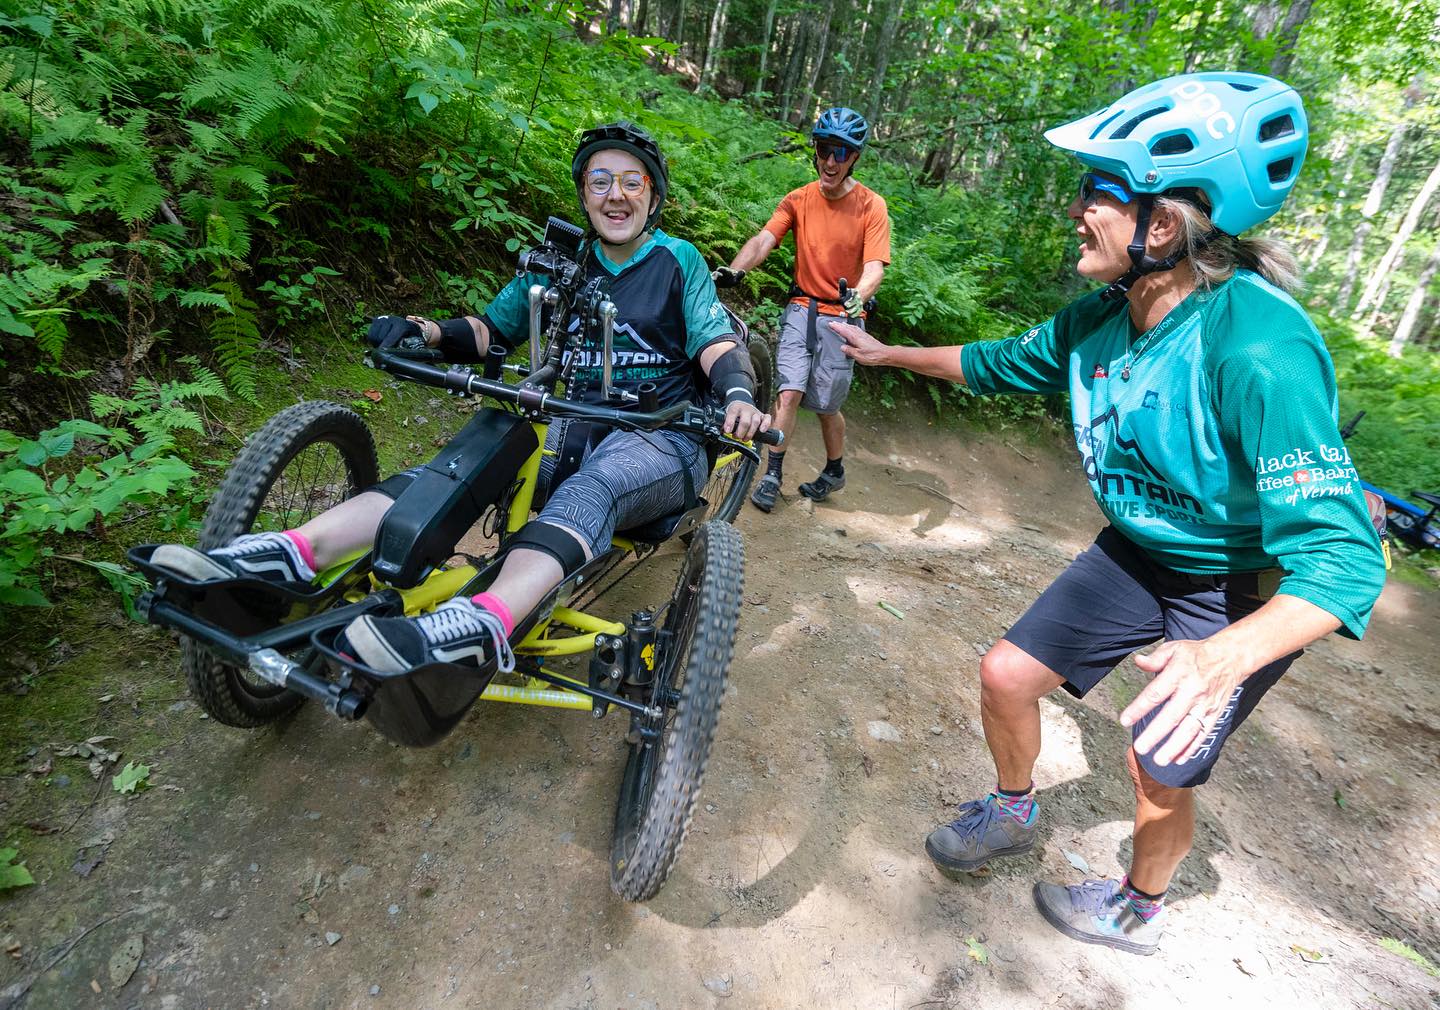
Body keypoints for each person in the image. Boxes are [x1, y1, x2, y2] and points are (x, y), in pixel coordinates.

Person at [833, 72, 1386, 955]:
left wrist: (1220, 657)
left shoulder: (1258, 346)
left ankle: (1137, 907)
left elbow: (1348, 561)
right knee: (1007, 675)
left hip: (1238, 585)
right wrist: (885, 351)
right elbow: (997, 362)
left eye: (1097, 193)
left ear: (1162, 224)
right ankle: (1013, 809)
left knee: (1156, 763)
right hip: (1138, 550)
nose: (1078, 210)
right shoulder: (1104, 315)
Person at [152, 122, 770, 674]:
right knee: (463, 464)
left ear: (652, 197)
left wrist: (738, 392)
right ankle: (292, 552)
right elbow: (486, 332)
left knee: (595, 486)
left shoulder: (676, 260)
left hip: (660, 433)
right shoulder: (559, 262)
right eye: (600, 180)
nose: (616, 194)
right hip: (566, 420)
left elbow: (714, 341)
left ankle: (484, 620)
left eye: (632, 182)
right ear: (584, 194)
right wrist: (422, 331)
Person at [716, 106, 891, 512]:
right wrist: (735, 270)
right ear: (815, 149)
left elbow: (874, 267)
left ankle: (834, 469)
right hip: (801, 307)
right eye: (825, 149)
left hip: (844, 316)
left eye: (841, 153)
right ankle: (772, 473)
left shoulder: (871, 206)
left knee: (827, 406)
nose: (831, 161)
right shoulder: (799, 199)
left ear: (854, 158)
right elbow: (764, 239)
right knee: (789, 391)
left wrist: (859, 296)